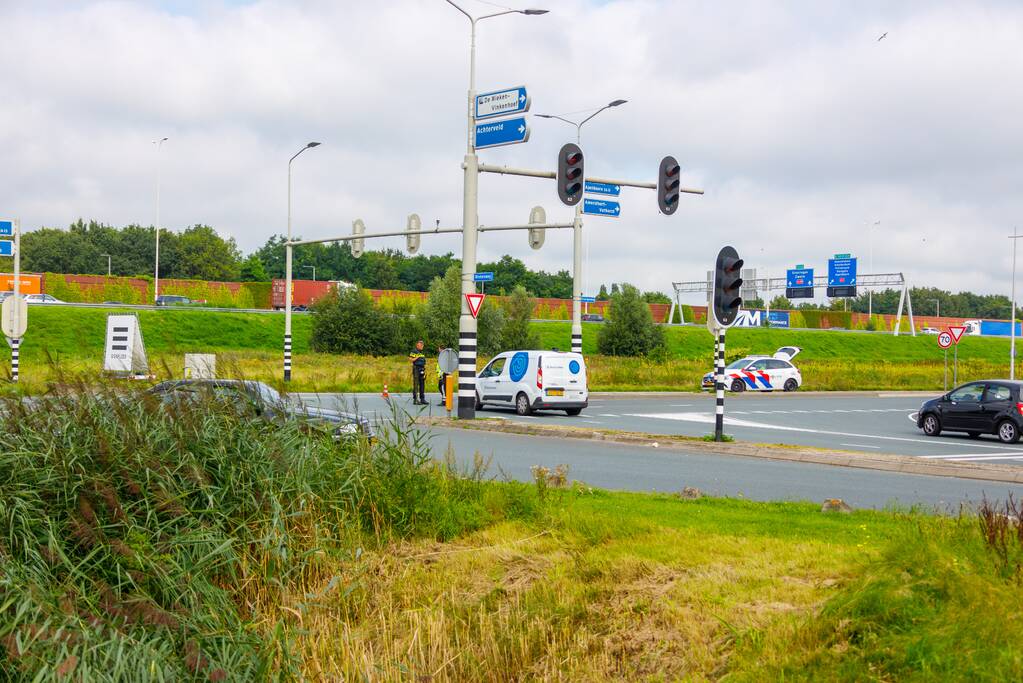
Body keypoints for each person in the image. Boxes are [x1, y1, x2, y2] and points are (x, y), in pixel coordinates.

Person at [409, 340, 426, 405]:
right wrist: (417, 357)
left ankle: (422, 399)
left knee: (422, 384)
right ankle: (415, 399)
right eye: (420, 345)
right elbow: (411, 359)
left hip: (422, 369)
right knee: (416, 384)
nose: (422, 346)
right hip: (416, 368)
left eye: (422, 345)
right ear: (417, 345)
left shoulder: (422, 353)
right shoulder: (414, 351)